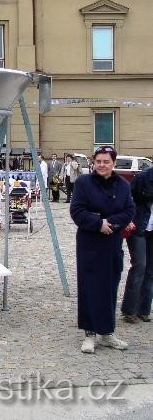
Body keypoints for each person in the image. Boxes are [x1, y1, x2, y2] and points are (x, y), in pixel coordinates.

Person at [70, 145, 135, 354]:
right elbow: (77, 210)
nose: (102, 165)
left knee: (109, 286)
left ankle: (106, 332)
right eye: (98, 161)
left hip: (112, 243)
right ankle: (89, 333)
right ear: (93, 162)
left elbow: (129, 210)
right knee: (89, 286)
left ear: (113, 163)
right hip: (90, 242)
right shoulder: (83, 183)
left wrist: (111, 224)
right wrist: (98, 223)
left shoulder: (123, 185)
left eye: (106, 161)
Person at [121, 164, 153, 323]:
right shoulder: (143, 178)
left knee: (150, 269)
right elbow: (128, 199)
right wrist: (129, 219)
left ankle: (144, 309)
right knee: (140, 265)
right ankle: (129, 310)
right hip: (138, 227)